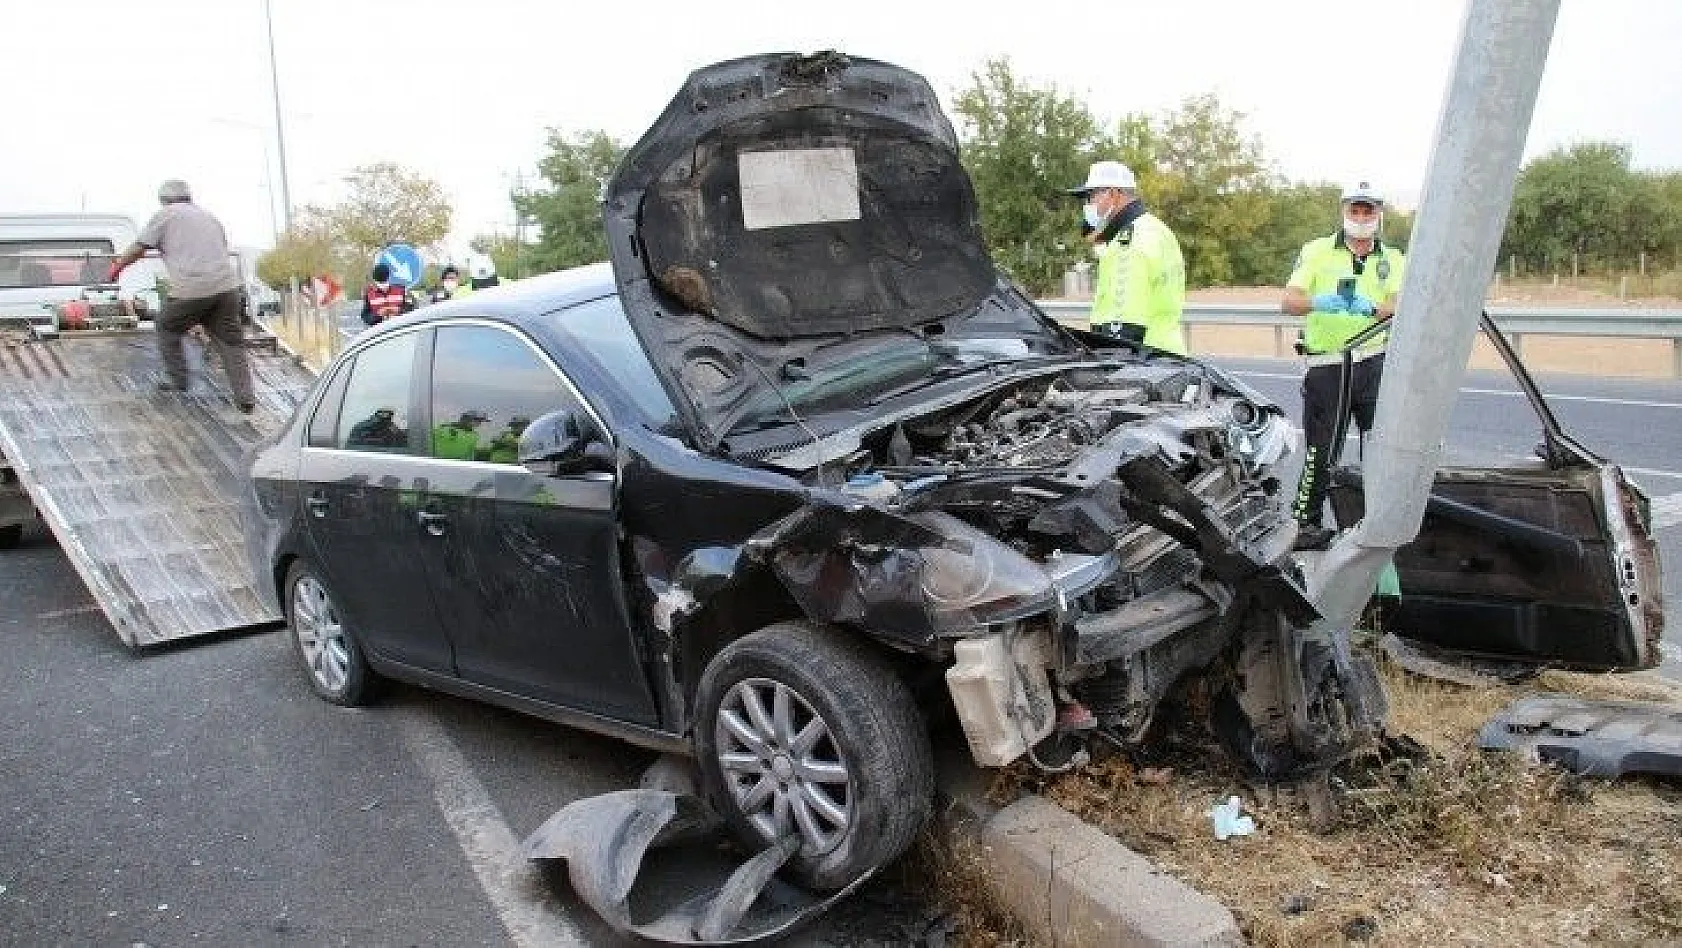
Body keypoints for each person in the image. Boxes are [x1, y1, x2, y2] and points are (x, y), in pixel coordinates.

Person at [1281, 181, 1408, 550]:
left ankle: (1380, 521)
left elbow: (1401, 303)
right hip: (1329, 364)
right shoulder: (1317, 251)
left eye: (1368, 210)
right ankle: (1306, 523)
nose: (1361, 217)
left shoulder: (1394, 258)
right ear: (1344, 211)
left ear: (1378, 214)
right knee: (1323, 449)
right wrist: (1321, 302)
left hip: (1372, 361)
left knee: (1381, 448)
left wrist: (1370, 308)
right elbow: (1289, 301)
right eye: (1355, 209)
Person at [107, 179, 256, 413]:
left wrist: (118, 266)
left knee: (166, 325)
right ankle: (246, 397)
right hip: (226, 289)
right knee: (230, 343)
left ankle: (178, 379)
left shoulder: (166, 215)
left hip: (191, 290)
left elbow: (140, 246)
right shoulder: (209, 217)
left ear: (164, 200)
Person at [1067, 160, 1186, 354]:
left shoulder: (1127, 245)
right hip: (1167, 353)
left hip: (1144, 364)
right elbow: (1091, 235)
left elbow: (1123, 329)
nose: (1088, 205)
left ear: (1113, 194)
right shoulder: (1156, 228)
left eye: (1091, 196)